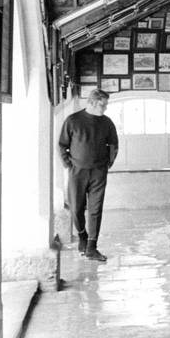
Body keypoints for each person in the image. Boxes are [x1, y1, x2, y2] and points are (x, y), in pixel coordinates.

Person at [58, 88, 118, 262]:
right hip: (77, 171)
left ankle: (92, 247)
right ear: (92, 102)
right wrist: (68, 164)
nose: (105, 108)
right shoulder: (73, 120)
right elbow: (62, 145)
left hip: (99, 172)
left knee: (95, 209)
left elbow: (113, 144)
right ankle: (82, 236)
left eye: (106, 104)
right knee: (76, 208)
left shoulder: (107, 123)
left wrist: (108, 163)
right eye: (102, 104)